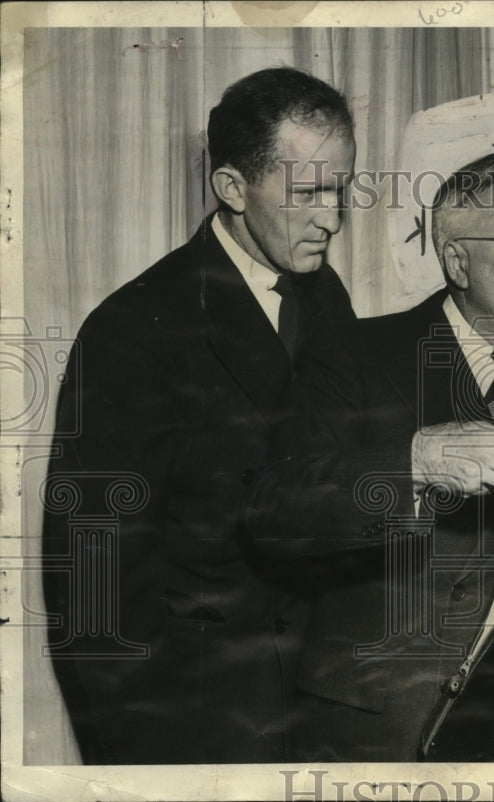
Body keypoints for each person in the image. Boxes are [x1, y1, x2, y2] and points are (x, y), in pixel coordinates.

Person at [245, 151, 494, 761]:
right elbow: (271, 513)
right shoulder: (352, 353)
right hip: (366, 738)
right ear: (458, 260)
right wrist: (412, 463)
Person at [41, 67, 357, 764]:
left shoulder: (325, 296)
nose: (331, 217)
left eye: (341, 188)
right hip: (197, 729)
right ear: (233, 189)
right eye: (307, 192)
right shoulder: (133, 329)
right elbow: (93, 599)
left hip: (320, 715)